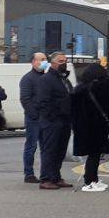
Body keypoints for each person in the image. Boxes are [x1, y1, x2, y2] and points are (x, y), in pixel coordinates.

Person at [70, 63, 109, 192]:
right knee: (95, 154)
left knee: (92, 154)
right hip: (98, 126)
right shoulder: (103, 87)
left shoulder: (78, 89)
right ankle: (90, 181)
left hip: (82, 127)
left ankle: (93, 179)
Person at [35, 52, 74, 190]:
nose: (64, 63)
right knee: (49, 150)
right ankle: (45, 178)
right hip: (52, 121)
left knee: (60, 151)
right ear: (53, 63)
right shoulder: (46, 80)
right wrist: (52, 117)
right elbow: (43, 102)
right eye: (61, 61)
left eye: (65, 61)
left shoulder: (64, 79)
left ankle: (55, 177)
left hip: (64, 120)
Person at [20, 52, 47, 183]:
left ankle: (45, 173)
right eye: (41, 59)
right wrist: (35, 115)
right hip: (34, 119)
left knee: (46, 147)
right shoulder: (28, 78)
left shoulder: (46, 78)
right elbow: (25, 99)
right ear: (33, 62)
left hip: (46, 118)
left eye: (45, 59)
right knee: (31, 146)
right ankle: (29, 173)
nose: (44, 61)